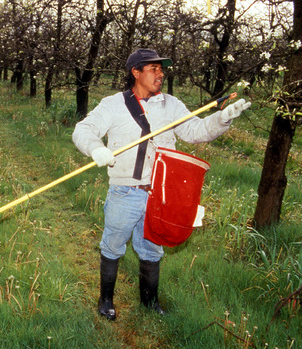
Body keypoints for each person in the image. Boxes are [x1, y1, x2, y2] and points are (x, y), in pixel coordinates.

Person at [72, 48, 250, 320]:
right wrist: (95, 149)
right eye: (154, 68)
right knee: (112, 245)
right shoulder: (113, 104)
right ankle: (105, 300)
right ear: (136, 72)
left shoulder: (171, 105)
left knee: (152, 247)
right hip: (124, 192)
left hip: (160, 194)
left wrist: (222, 118)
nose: (161, 73)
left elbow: (197, 131)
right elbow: (83, 130)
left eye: (161, 68)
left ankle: (150, 303)